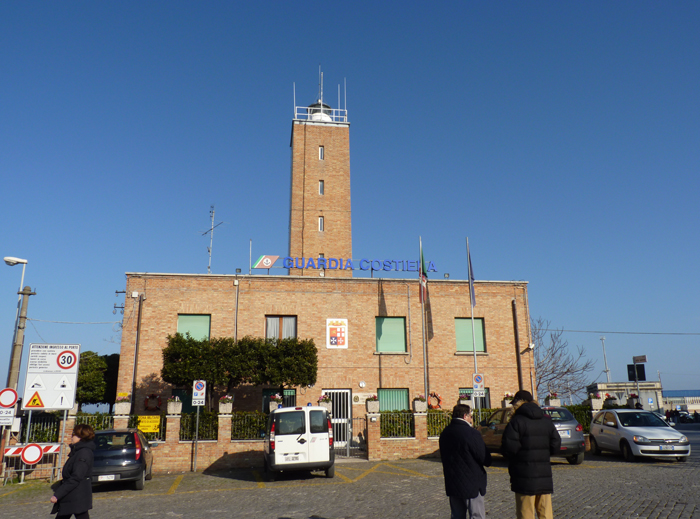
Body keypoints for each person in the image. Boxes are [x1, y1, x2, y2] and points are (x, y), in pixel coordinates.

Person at [501, 390, 560, 519]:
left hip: (524, 476)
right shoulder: (546, 421)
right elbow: (556, 445)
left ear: (518, 403)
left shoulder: (516, 422)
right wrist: (543, 454)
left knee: (526, 513)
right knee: (546, 514)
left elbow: (509, 449)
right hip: (544, 475)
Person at [439, 403, 492, 519]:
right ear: (465, 416)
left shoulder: (445, 433)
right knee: (476, 515)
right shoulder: (471, 433)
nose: (471, 419)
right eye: (471, 416)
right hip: (472, 483)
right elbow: (485, 458)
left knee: (457, 515)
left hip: (452, 481)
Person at [51, 424, 96, 519]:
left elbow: (76, 477)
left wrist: (58, 494)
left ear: (81, 436)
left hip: (77, 496)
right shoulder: (78, 451)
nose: (71, 437)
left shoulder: (83, 453)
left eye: (74, 434)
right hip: (72, 496)